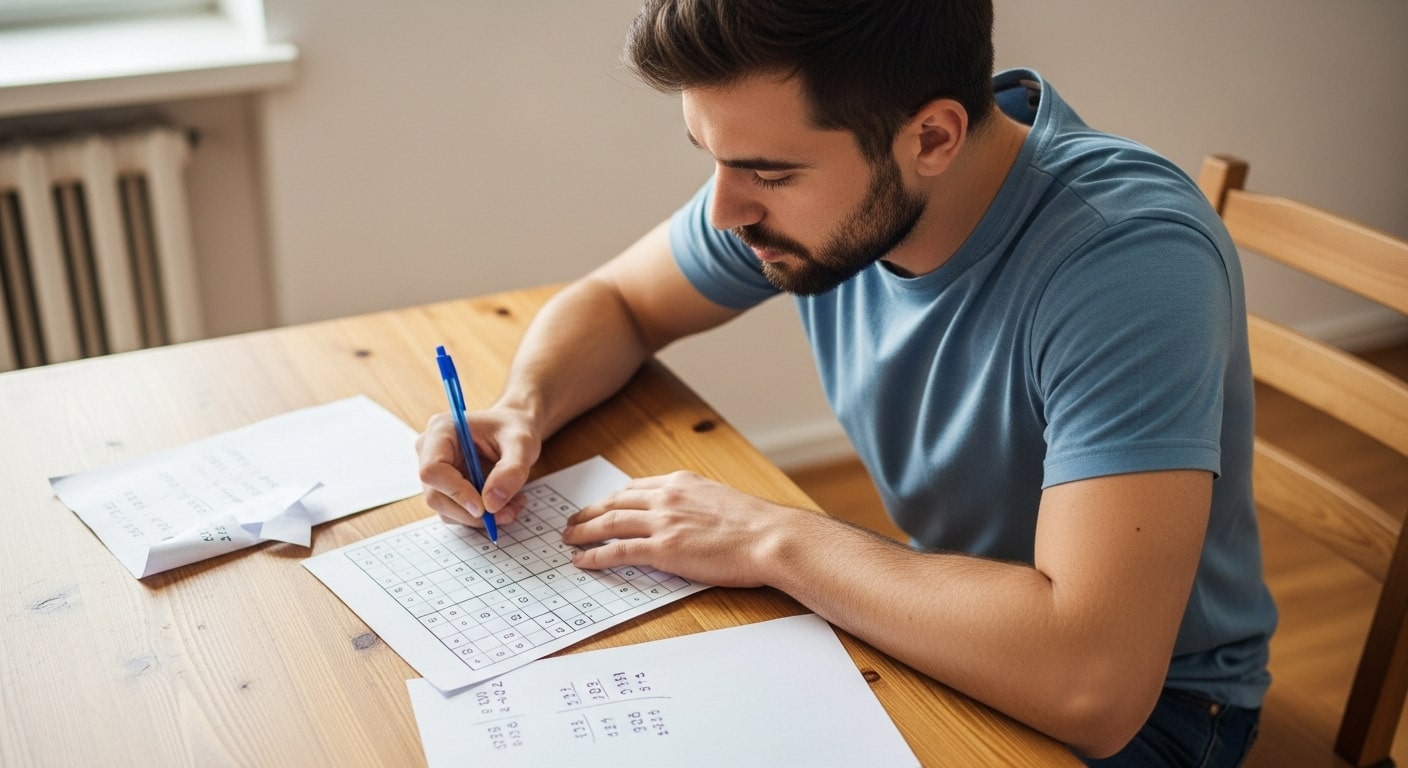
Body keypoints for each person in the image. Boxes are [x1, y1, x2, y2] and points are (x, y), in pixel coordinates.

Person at [416, 1, 1276, 764]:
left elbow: (1095, 687)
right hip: (947, 626)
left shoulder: (1125, 260)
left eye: (768, 173)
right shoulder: (832, 190)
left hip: (1154, 711)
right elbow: (620, 303)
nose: (724, 211)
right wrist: (523, 407)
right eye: (712, 158)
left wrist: (771, 537)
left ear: (932, 138)